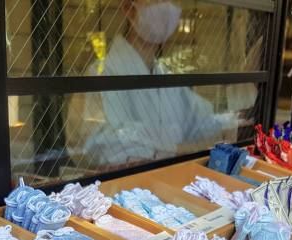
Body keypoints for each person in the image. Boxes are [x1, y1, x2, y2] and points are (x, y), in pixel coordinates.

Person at [72, 0, 238, 168]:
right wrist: (179, 149)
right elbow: (102, 148)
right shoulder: (104, 73)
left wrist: (231, 120)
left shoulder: (165, 75)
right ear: (129, 9)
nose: (167, 6)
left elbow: (202, 122)